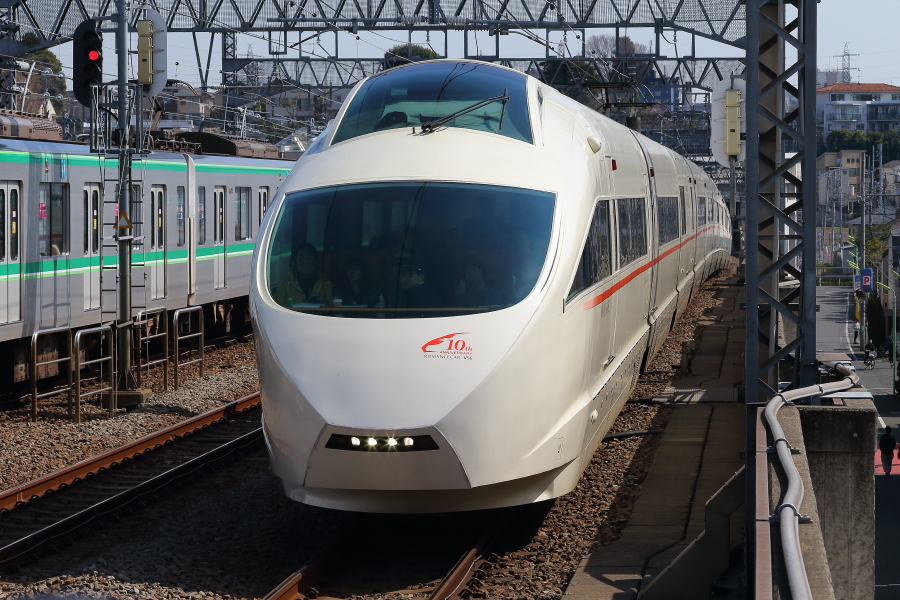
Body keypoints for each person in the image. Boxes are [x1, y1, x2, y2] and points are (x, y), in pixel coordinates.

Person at [272, 243, 334, 307]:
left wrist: (324, 303)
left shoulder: (325, 282)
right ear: (295, 263)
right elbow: (277, 306)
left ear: (316, 262)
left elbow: (333, 307)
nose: (305, 262)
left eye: (309, 258)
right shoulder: (285, 282)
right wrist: (298, 301)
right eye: (301, 259)